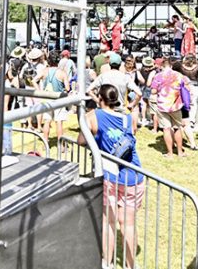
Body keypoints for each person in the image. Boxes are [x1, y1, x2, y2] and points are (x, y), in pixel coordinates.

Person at [78, 84, 144, 269]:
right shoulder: (128, 117)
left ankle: (107, 263)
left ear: (100, 98)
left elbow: (81, 140)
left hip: (110, 176)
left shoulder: (92, 116)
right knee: (128, 224)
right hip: (133, 175)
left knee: (109, 222)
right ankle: (131, 265)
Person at [150, 58, 187, 158]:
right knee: (177, 128)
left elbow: (153, 91)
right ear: (171, 66)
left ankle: (170, 153)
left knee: (166, 129)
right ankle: (180, 152)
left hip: (162, 105)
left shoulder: (158, 76)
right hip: (176, 105)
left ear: (162, 66)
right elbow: (185, 87)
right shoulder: (179, 75)